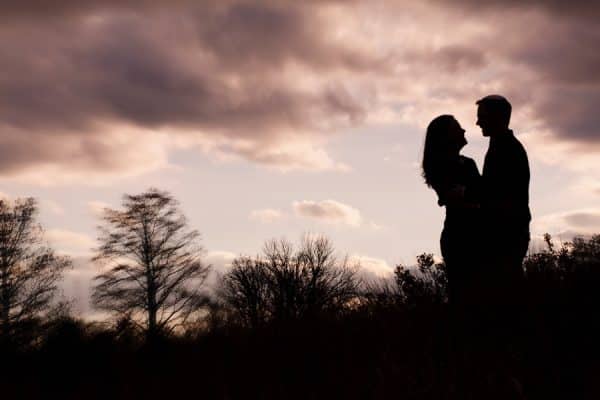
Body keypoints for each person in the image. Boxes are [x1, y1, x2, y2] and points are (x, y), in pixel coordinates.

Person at [476, 95, 531, 304]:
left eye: (482, 117)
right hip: (507, 232)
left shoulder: (507, 149)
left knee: (505, 296)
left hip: (506, 234)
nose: (478, 122)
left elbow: (497, 193)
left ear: (496, 117)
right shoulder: (501, 146)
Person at [422, 115, 481, 306]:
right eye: (458, 127)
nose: (464, 130)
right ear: (446, 136)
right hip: (459, 238)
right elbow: (460, 198)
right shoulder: (441, 167)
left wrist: (469, 195)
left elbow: (479, 196)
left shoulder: (469, 163)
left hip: (476, 235)